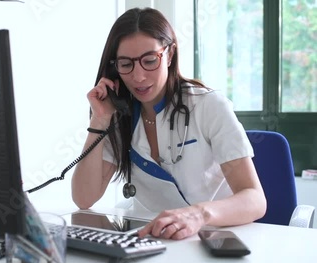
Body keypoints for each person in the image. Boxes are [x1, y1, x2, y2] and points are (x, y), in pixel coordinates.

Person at [71, 7, 267, 240]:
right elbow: (84, 198)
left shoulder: (208, 105)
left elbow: (254, 199)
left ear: (170, 54)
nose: (139, 76)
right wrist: (100, 119)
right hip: (151, 241)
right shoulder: (119, 116)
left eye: (150, 60)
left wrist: (198, 214)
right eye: (126, 64)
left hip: (215, 238)